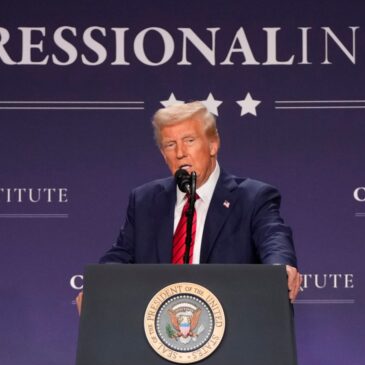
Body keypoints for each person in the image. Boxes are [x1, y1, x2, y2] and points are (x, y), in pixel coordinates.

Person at [76, 101, 301, 314]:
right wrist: (99, 287)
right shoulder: (145, 200)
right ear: (163, 154)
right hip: (157, 327)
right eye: (170, 145)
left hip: (232, 323)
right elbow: (121, 255)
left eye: (189, 140)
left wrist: (280, 267)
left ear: (213, 144)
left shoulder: (252, 197)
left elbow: (273, 237)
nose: (180, 152)